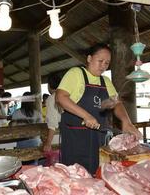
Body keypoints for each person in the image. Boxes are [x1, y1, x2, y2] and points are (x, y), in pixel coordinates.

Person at [56, 43, 142, 174]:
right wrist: (86, 116)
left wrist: (126, 121)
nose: (103, 66)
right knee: (76, 175)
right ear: (89, 58)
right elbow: (61, 97)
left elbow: (116, 103)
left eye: (107, 63)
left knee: (97, 172)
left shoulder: (105, 81)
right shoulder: (76, 74)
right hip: (75, 138)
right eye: (100, 61)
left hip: (98, 138)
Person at [43, 73, 62, 152]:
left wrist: (48, 143)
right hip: (70, 135)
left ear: (49, 85)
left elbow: (52, 124)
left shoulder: (51, 99)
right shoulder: (67, 95)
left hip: (57, 137)